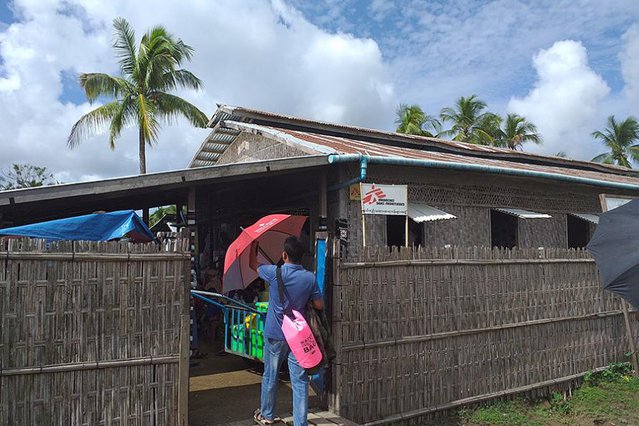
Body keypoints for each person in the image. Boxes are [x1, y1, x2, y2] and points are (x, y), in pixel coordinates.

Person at [250, 236, 324, 426]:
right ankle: (301, 423)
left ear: (284, 255)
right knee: (299, 381)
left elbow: (253, 264)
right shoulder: (309, 277)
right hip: (298, 336)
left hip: (275, 333)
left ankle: (267, 415)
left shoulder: (274, 273)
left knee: (270, 375)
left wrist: (254, 248)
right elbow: (319, 304)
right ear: (301, 256)